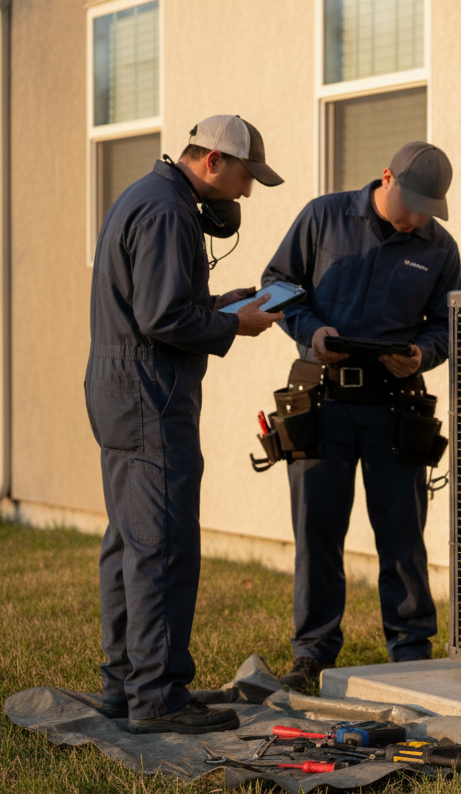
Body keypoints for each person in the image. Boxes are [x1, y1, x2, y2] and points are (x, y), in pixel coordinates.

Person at [85, 115, 285, 734]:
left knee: (128, 543)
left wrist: (223, 304)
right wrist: (236, 325)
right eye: (246, 177)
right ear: (214, 161)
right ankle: (158, 698)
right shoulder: (171, 212)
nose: (247, 193)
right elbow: (163, 318)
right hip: (151, 398)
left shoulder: (145, 197)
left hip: (121, 391)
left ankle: (125, 684)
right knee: (163, 547)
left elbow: (161, 303)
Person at [261, 141, 461, 693]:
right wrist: (310, 332)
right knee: (318, 532)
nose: (417, 218)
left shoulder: (440, 248)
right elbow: (277, 286)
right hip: (321, 401)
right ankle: (312, 657)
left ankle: (413, 658)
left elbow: (448, 324)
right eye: (411, 203)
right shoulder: (323, 216)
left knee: (402, 533)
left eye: (428, 209)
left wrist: (421, 354)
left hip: (395, 406)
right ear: (386, 176)